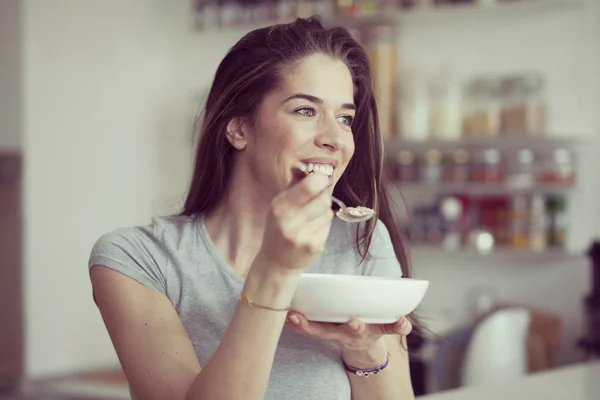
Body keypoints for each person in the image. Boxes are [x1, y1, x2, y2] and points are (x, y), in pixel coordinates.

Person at [89, 16, 415, 400]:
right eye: (305, 111)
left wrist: (362, 349)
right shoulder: (137, 259)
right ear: (239, 129)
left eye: (345, 118)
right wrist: (274, 269)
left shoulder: (361, 240)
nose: (334, 139)